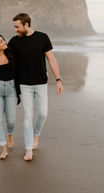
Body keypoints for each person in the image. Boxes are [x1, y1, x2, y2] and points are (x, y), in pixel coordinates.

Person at [8, 13, 63, 161]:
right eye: (14, 27)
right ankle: (28, 149)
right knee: (27, 117)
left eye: (17, 27)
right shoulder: (14, 41)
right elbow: (4, 57)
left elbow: (51, 58)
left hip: (40, 83)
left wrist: (58, 79)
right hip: (24, 83)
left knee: (43, 114)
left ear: (26, 25)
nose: (15, 30)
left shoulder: (42, 37)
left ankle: (35, 135)